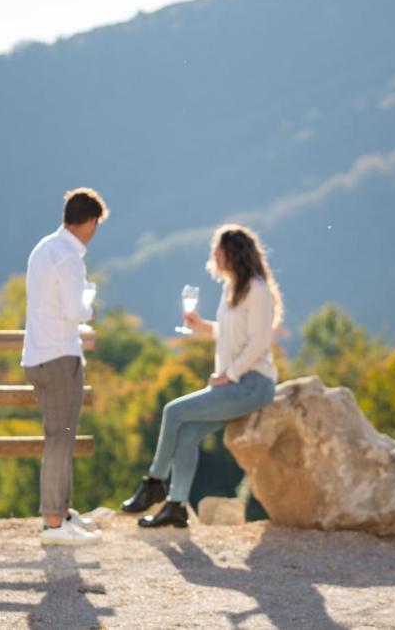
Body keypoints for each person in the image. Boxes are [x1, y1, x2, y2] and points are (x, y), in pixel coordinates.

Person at [121, 224, 282, 527]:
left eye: (217, 252)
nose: (214, 258)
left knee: (173, 411)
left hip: (252, 384)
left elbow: (259, 341)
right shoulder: (232, 287)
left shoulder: (258, 289)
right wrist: (202, 326)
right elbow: (232, 332)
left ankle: (154, 482)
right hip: (235, 384)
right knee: (188, 433)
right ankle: (176, 505)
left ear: (233, 254)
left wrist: (228, 374)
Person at [22, 187, 108, 546]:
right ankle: (54, 523)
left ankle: (62, 511)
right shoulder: (70, 257)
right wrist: (90, 308)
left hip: (37, 355)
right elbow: (75, 311)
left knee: (61, 435)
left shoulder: (44, 248)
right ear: (90, 222)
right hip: (59, 356)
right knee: (60, 438)